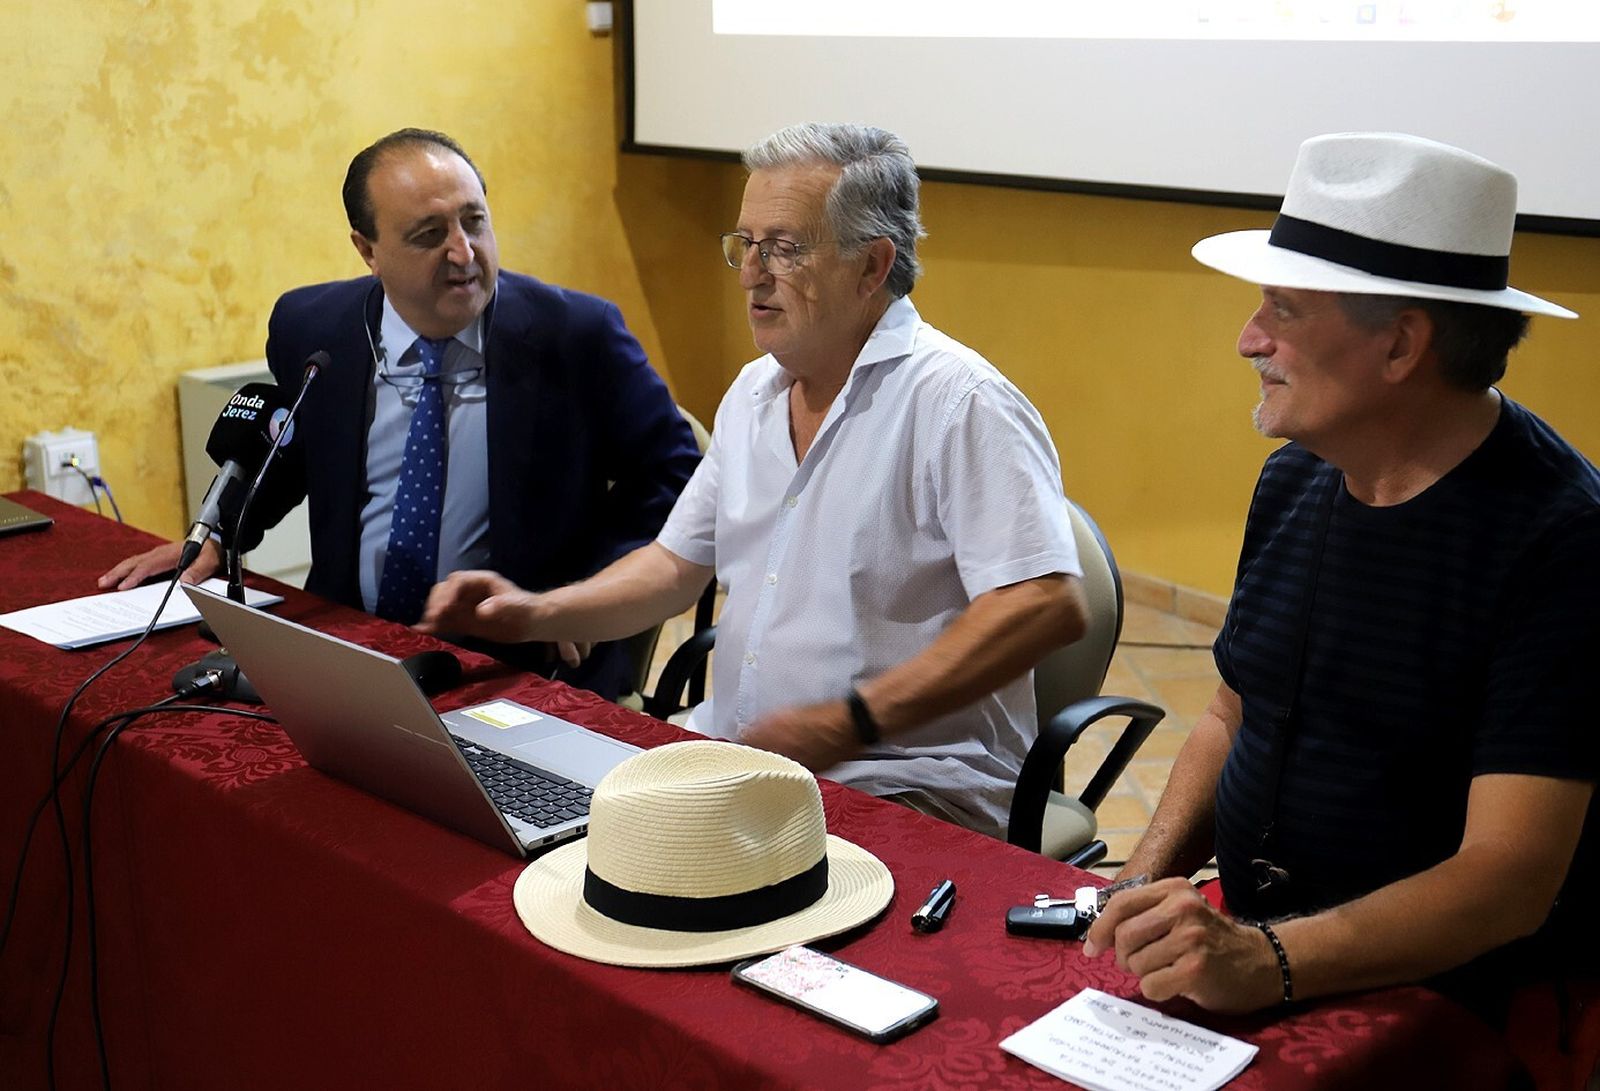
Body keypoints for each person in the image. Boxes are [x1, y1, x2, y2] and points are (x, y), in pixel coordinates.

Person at [419, 122, 1087, 837]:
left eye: (785, 249)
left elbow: (1045, 604)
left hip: (905, 784)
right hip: (741, 762)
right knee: (512, 831)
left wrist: (850, 721)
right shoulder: (755, 393)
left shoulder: (958, 402)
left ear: (872, 266)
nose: (750, 273)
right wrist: (537, 612)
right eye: (745, 244)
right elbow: (675, 567)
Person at [1083, 132, 1599, 1026]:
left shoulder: (1565, 539)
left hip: (1449, 1002)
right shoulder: (1296, 473)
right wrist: (1138, 880)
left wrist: (1267, 960)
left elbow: (1507, 880)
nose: (1249, 340)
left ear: (1402, 344)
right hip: (1263, 951)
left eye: (1282, 310)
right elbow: (1230, 715)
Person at [100, 128, 701, 700]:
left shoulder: (576, 334)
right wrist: (220, 535)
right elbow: (291, 447)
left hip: (524, 662)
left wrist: (586, 596)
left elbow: (675, 476)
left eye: (474, 221)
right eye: (428, 234)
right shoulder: (312, 329)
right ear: (368, 250)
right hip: (350, 645)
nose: (463, 253)